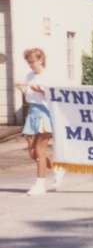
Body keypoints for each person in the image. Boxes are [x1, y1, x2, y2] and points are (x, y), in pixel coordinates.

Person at [15, 48, 65, 196]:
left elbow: (55, 95)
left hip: (44, 114)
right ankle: (56, 168)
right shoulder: (29, 75)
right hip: (32, 114)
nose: (30, 65)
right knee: (32, 151)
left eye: (32, 61)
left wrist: (42, 91)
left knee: (40, 150)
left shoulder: (49, 76)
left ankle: (40, 184)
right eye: (28, 62)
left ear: (41, 60)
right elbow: (29, 95)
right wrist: (22, 89)